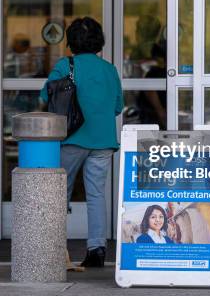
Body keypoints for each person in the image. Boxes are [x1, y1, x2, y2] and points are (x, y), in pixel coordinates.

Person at [40, 16, 123, 267]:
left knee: (59, 193)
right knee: (96, 195)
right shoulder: (109, 69)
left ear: (71, 42)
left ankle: (55, 249)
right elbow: (118, 107)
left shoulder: (67, 65)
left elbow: (46, 94)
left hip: (72, 139)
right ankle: (96, 249)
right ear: (100, 42)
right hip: (104, 140)